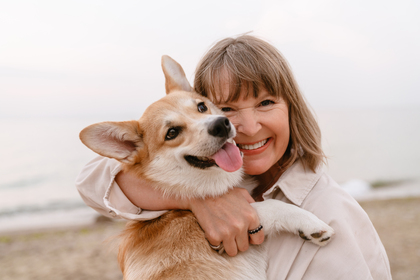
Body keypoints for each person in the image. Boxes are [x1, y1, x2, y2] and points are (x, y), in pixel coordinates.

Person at [76, 35, 391, 279]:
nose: (247, 127)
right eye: (225, 109)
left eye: (266, 103)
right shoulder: (195, 180)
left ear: (292, 107)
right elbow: (90, 181)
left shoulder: (331, 215)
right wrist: (194, 200)